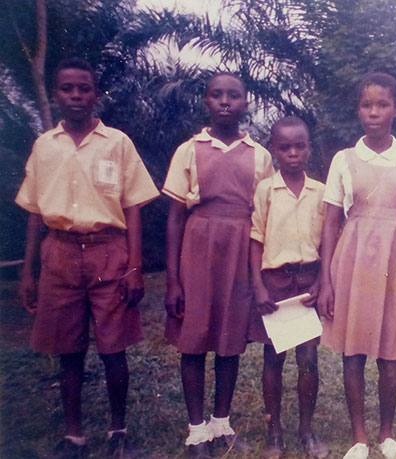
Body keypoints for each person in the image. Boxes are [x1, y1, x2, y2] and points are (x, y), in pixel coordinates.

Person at [15, 57, 159, 458]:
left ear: (96, 94)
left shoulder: (117, 143)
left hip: (108, 253)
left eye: (84, 88)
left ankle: (119, 431)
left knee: (114, 348)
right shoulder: (45, 146)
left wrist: (134, 265)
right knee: (69, 350)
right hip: (59, 253)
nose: (76, 96)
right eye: (67, 89)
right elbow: (33, 211)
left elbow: (132, 206)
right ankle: (74, 435)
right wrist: (28, 271)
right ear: (56, 93)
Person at [163, 71, 274, 457]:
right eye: (216, 95)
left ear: (246, 102)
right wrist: (173, 280)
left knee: (231, 339)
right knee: (193, 339)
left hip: (240, 250)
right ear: (206, 102)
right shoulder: (189, 150)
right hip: (199, 246)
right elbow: (175, 216)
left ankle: (220, 421)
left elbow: (265, 214)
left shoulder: (259, 155)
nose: (225, 102)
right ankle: (196, 430)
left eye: (233, 95)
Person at [318, 72, 396, 459]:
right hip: (353, 259)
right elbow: (331, 220)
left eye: (382, 105)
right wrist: (327, 279)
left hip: (395, 260)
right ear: (358, 109)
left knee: (390, 351)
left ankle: (386, 434)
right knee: (354, 350)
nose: (374, 112)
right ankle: (359, 438)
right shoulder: (344, 159)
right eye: (366, 105)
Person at [247, 116, 329, 459]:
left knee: (308, 358)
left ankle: (306, 430)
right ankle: (275, 432)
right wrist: (258, 287)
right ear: (274, 151)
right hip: (275, 283)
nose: (293, 153)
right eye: (285, 147)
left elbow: (328, 243)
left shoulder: (322, 192)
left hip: (308, 281)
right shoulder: (266, 190)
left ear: (309, 148)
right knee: (274, 357)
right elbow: (255, 240)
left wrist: (323, 282)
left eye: (299, 146)